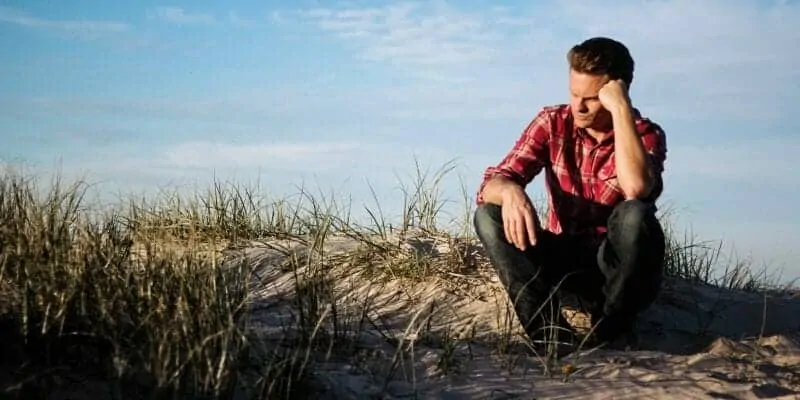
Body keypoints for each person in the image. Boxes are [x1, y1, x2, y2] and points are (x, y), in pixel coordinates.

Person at [473, 37, 668, 354]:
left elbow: (636, 189)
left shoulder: (645, 133)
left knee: (635, 214)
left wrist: (621, 110)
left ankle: (610, 333)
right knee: (488, 215)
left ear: (617, 91)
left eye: (591, 98)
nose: (578, 106)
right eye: (574, 94)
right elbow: (492, 183)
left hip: (619, 268)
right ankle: (551, 337)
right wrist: (509, 191)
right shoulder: (553, 122)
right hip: (565, 257)